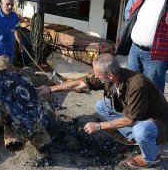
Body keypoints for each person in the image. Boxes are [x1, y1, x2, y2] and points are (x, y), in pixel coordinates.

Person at [37, 53, 168, 168]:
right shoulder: (114, 76)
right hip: (138, 114)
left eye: (98, 75)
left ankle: (151, 156)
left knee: (141, 130)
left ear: (109, 75)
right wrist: (50, 89)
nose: (96, 77)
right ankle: (133, 137)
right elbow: (81, 83)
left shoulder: (137, 85)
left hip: (157, 122)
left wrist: (98, 126)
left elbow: (129, 119)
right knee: (101, 106)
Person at [117, 0, 168, 94]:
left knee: (153, 91)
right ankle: (133, 112)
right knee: (132, 86)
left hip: (155, 55)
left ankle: (154, 114)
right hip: (134, 50)